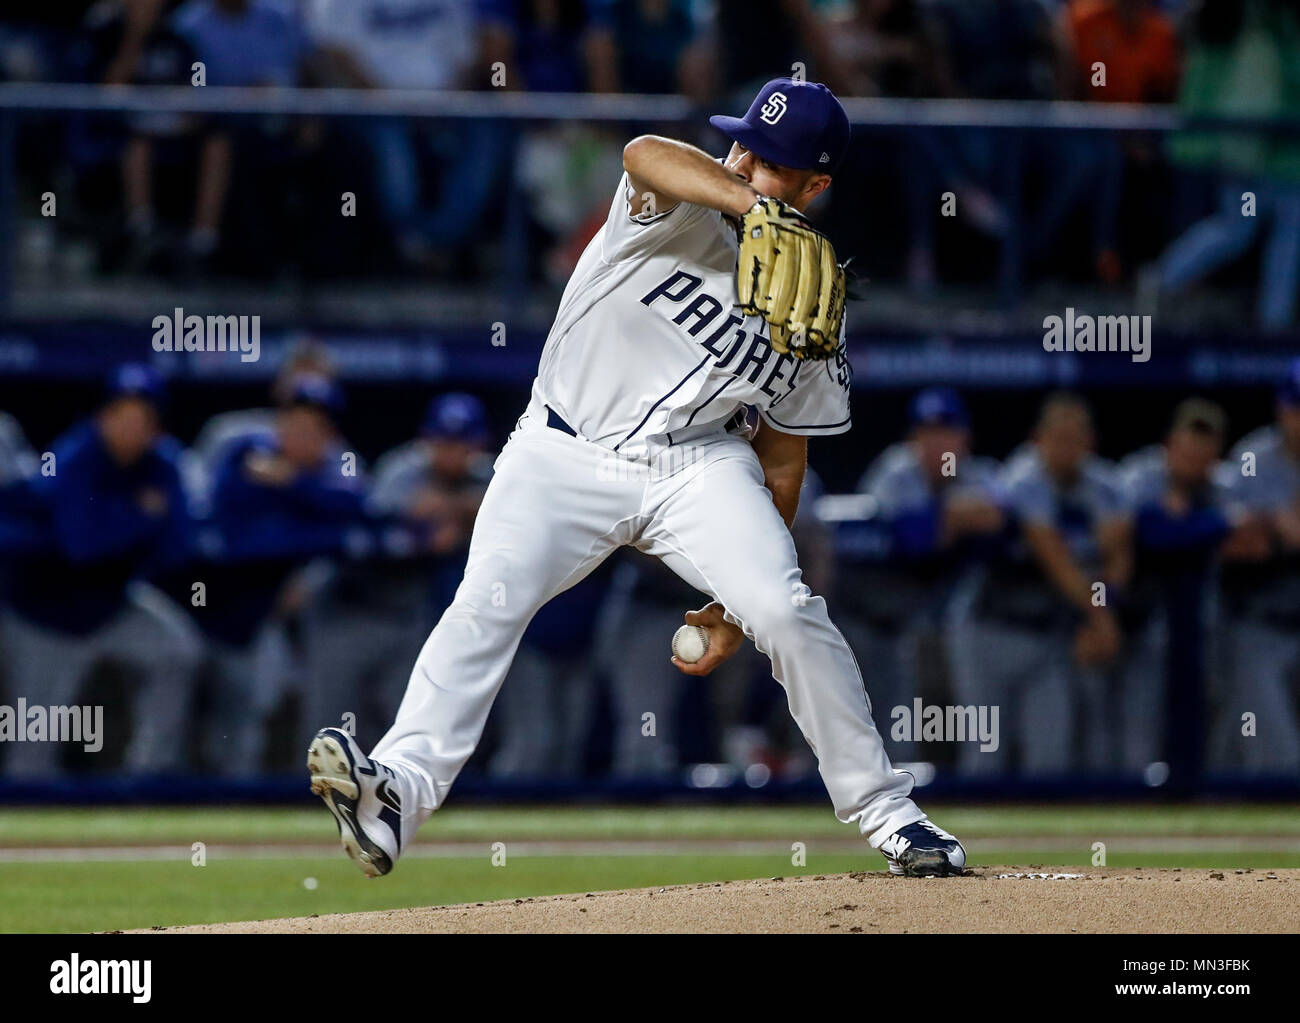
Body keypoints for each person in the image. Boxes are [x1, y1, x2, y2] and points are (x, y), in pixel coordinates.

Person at [307, 78, 967, 880]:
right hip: (561, 448)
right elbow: (644, 154)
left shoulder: (814, 310)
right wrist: (749, 199)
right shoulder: (680, 205)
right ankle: (396, 797)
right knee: (483, 606)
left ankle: (890, 813)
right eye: (742, 141)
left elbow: (785, 460)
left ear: (817, 184)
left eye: (769, 160)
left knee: (788, 612)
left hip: (698, 464)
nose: (744, 157)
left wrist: (732, 606)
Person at [3, 365, 201, 776]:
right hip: (47, 616)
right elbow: (82, 547)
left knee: (180, 653)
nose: (129, 427)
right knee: (32, 756)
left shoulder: (163, 464)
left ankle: (149, 776)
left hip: (113, 604)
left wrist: (122, 525)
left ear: (154, 427)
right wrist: (142, 517)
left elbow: (179, 548)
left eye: (141, 418)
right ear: (102, 417)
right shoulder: (71, 457)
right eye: (120, 415)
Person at [198, 374, 369, 773]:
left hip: (296, 617)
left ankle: (271, 790)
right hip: (227, 607)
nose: (302, 436)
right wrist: (310, 525)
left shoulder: (338, 467)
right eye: (294, 424)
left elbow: (355, 519)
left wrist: (292, 485)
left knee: (273, 703)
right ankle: (225, 794)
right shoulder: (243, 451)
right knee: (237, 708)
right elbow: (235, 538)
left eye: (315, 429)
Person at [952, 394, 1129, 775]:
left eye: (1075, 437)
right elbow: (1055, 558)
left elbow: (1118, 554)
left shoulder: (1103, 485)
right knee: (986, 759)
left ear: (1089, 442)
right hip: (988, 631)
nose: (1066, 447)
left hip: (1049, 636)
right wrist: (1101, 621)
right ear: (1038, 439)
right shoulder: (1022, 477)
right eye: (1057, 438)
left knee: (1051, 760)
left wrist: (1102, 607)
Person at [850, 388, 1004, 763]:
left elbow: (1001, 521)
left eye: (946, 431)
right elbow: (904, 539)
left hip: (959, 623)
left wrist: (943, 520)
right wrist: (947, 519)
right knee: (896, 730)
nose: (937, 443)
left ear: (964, 438)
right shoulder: (895, 471)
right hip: (887, 623)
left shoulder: (978, 472)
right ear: (914, 438)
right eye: (927, 432)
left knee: (970, 731)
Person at [1217, 360, 1300, 772]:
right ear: (1282, 409)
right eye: (1297, 408)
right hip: (1261, 623)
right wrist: (1275, 526)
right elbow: (1227, 539)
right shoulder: (1252, 457)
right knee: (1276, 759)